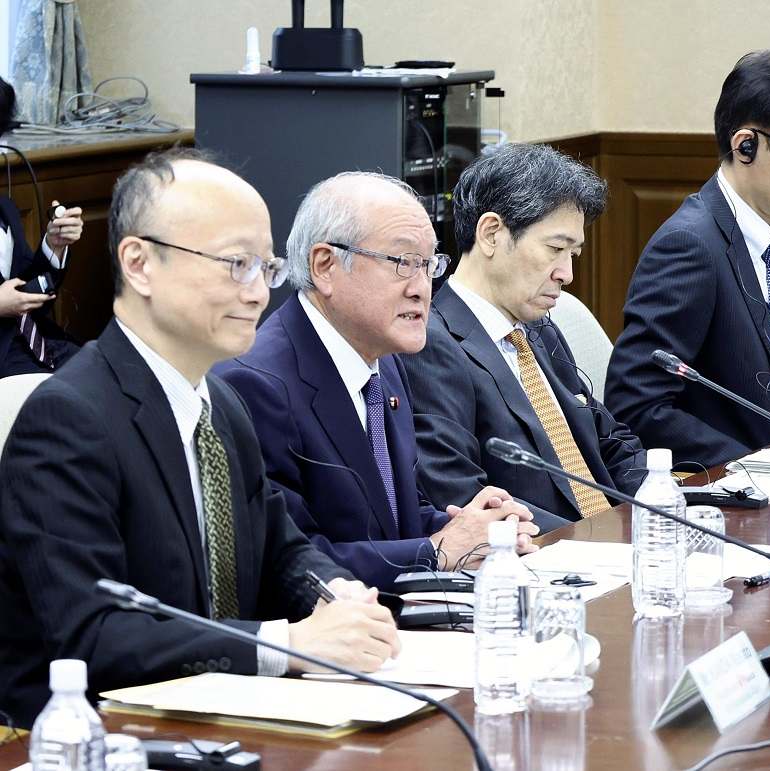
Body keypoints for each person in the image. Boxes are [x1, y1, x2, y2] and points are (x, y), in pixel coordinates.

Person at [0, 149, 400, 727]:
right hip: (99, 735)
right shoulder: (68, 418)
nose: (260, 294)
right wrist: (288, 644)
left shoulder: (221, 404)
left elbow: (281, 552)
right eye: (236, 264)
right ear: (139, 264)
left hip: (226, 716)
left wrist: (339, 598)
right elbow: (95, 636)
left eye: (267, 269)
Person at [217, 172, 538, 591]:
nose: (421, 288)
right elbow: (289, 564)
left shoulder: (383, 363)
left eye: (428, 265)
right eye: (403, 262)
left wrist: (475, 529)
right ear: (325, 266)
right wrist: (436, 550)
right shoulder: (255, 385)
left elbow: (395, 517)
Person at [604, 49, 770, 470]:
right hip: (729, 492)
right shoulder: (689, 247)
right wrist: (752, 468)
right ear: (746, 145)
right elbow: (637, 405)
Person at [401, 143, 646, 524]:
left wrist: (666, 506)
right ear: (492, 233)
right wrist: (602, 544)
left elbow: (609, 440)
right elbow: (464, 497)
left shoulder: (539, 327)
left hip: (616, 540)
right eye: (555, 249)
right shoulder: (430, 344)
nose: (566, 274)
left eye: (573, 255)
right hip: (550, 562)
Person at [0, 76, 84, 376]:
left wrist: (54, 246)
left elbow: (28, 296)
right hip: (6, 362)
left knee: (114, 376)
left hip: (37, 343)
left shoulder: (5, 209)